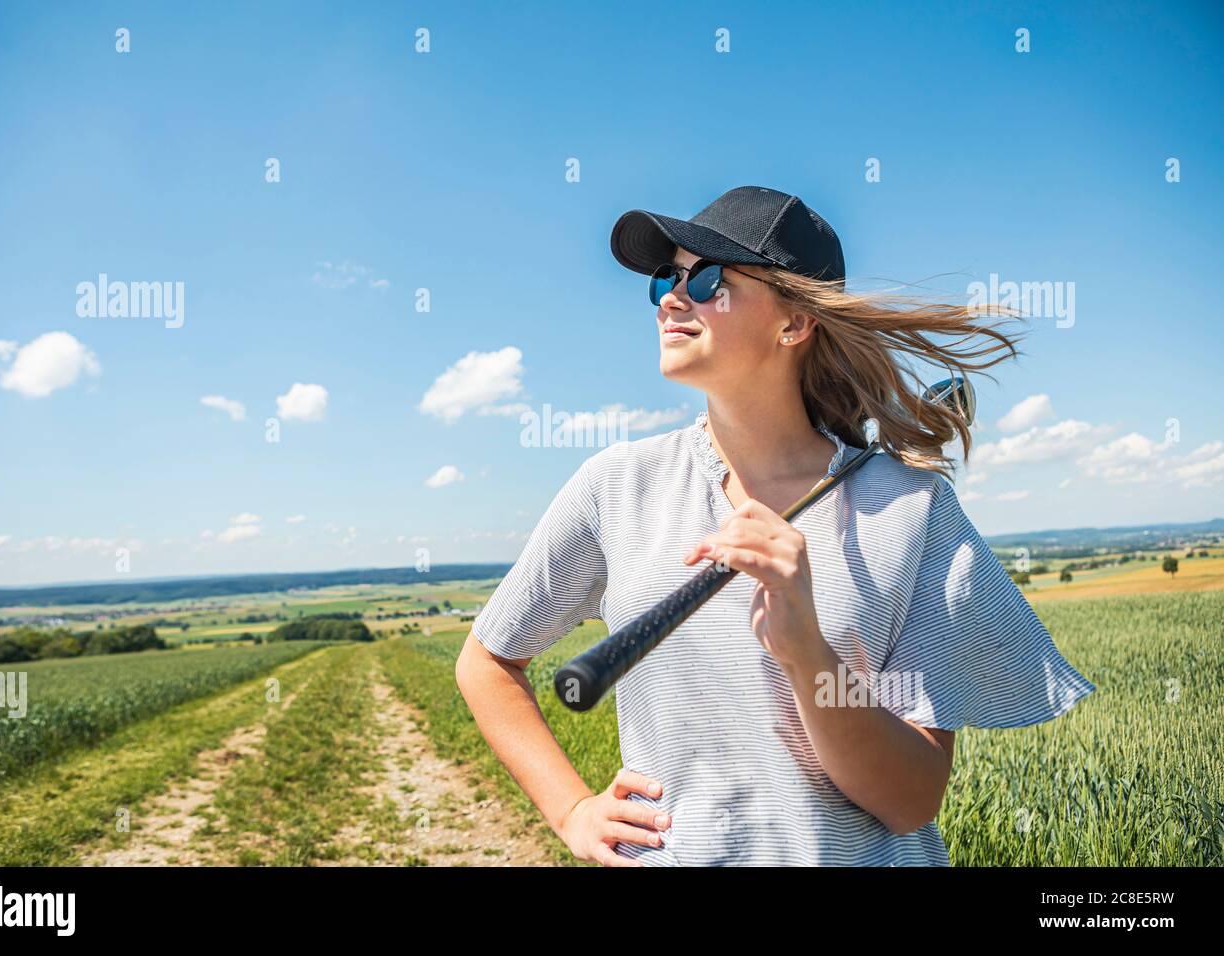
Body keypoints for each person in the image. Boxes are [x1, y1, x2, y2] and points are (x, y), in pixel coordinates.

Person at [454, 185, 1096, 866]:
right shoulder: (615, 485)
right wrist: (571, 809)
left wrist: (805, 650)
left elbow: (910, 801)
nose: (672, 298)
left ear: (794, 323)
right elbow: (489, 660)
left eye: (707, 278)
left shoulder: (912, 508)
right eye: (666, 278)